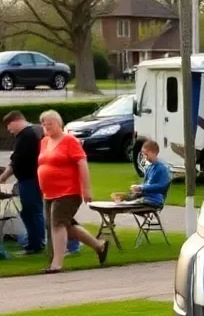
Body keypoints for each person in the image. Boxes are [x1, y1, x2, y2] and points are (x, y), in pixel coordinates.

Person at [37, 109, 109, 273]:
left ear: (59, 123)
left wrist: (86, 188)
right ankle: (99, 246)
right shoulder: (44, 142)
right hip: (49, 192)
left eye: (50, 123)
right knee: (64, 226)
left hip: (67, 191)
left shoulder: (70, 141)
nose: (46, 127)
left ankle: (56, 264)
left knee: (57, 225)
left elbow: (82, 164)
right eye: (44, 124)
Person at [0, 111, 45, 255]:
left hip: (30, 179)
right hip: (28, 179)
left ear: (15, 121)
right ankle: (32, 241)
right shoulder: (34, 131)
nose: (9, 130)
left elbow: (16, 160)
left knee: (33, 211)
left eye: (9, 126)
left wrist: (3, 177)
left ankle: (36, 244)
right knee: (27, 211)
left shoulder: (26, 135)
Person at [126, 139, 172, 207]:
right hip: (146, 198)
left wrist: (142, 188)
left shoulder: (162, 168)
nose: (144, 156)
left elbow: (162, 186)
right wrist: (138, 189)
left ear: (153, 152)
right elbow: (147, 184)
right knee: (125, 200)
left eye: (145, 153)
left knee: (128, 205)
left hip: (155, 199)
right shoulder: (149, 167)